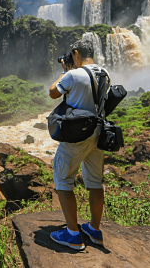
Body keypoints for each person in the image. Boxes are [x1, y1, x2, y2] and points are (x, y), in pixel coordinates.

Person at [48, 38, 108, 250]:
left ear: (75, 53)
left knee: (62, 179)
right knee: (94, 181)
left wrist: (65, 71)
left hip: (78, 134)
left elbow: (53, 92)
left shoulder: (73, 74)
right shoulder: (104, 73)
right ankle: (94, 229)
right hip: (98, 134)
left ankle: (73, 234)